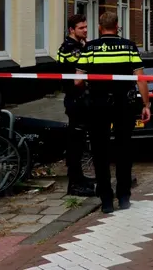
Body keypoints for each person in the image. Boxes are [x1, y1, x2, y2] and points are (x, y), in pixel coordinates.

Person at [75, 12, 151, 214]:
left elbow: (77, 80)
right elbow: (140, 79)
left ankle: (106, 200)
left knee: (100, 151)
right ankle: (124, 196)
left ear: (100, 27)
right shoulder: (128, 47)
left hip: (98, 105)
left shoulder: (90, 48)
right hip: (123, 104)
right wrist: (146, 104)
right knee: (124, 149)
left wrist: (88, 90)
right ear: (117, 26)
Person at [56, 14, 96, 197]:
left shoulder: (77, 46)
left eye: (86, 27)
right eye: (81, 28)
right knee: (75, 142)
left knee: (79, 142)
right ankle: (74, 183)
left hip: (78, 99)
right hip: (76, 99)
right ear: (72, 29)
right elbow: (80, 76)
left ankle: (79, 178)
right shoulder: (70, 49)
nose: (85, 30)